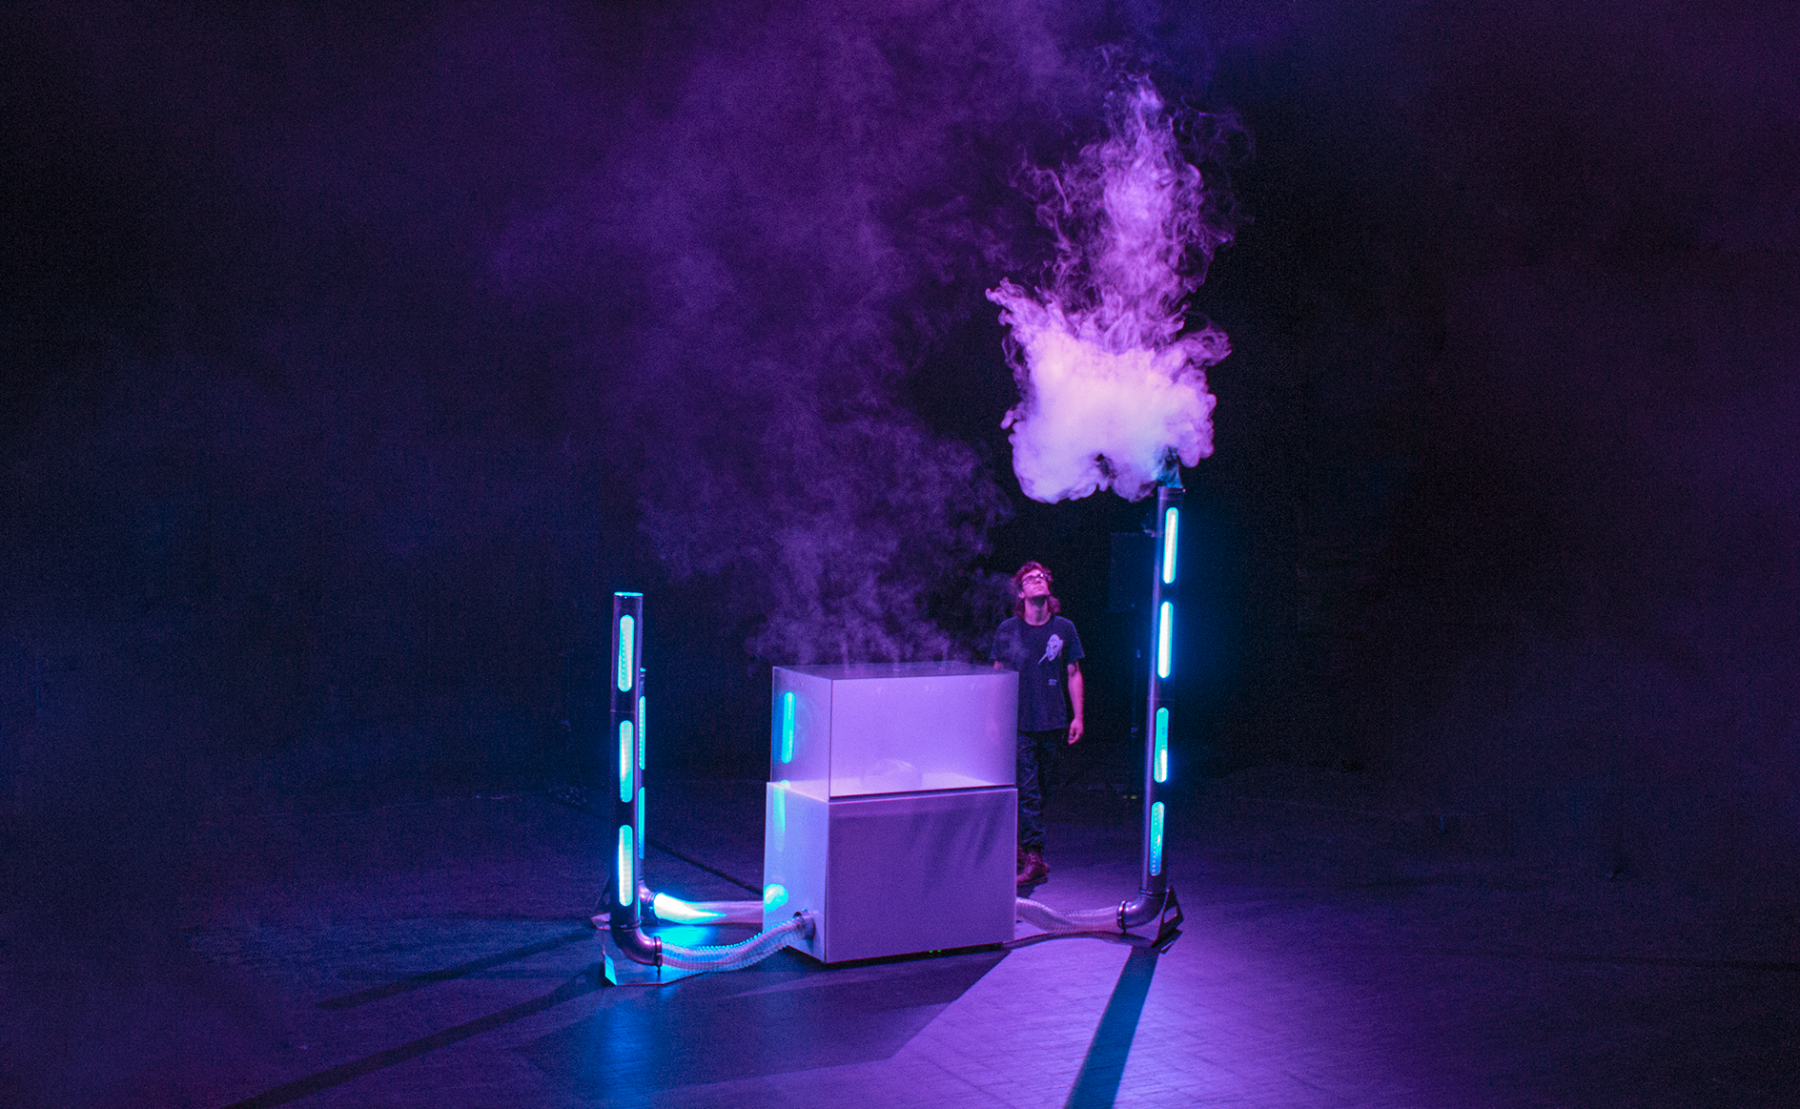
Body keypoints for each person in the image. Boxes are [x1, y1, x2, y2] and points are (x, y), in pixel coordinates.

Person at [992, 561, 1084, 887]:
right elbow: (998, 674)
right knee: (1029, 791)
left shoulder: (1064, 628)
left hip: (1053, 721)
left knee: (1042, 789)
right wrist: (993, 718)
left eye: (1042, 577)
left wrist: (1078, 716)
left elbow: (1073, 673)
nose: (1038, 581)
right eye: (1031, 579)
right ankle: (1034, 856)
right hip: (1020, 722)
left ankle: (1024, 848)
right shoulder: (1008, 630)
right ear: (1021, 592)